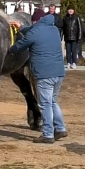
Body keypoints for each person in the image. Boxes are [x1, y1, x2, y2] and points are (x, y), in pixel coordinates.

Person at [10, 14, 68, 143]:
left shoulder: (35, 32)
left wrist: (10, 49)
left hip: (44, 74)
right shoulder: (54, 30)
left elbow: (20, 46)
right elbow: (33, 31)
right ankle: (60, 128)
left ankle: (47, 134)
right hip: (58, 73)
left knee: (45, 104)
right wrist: (21, 28)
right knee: (52, 101)